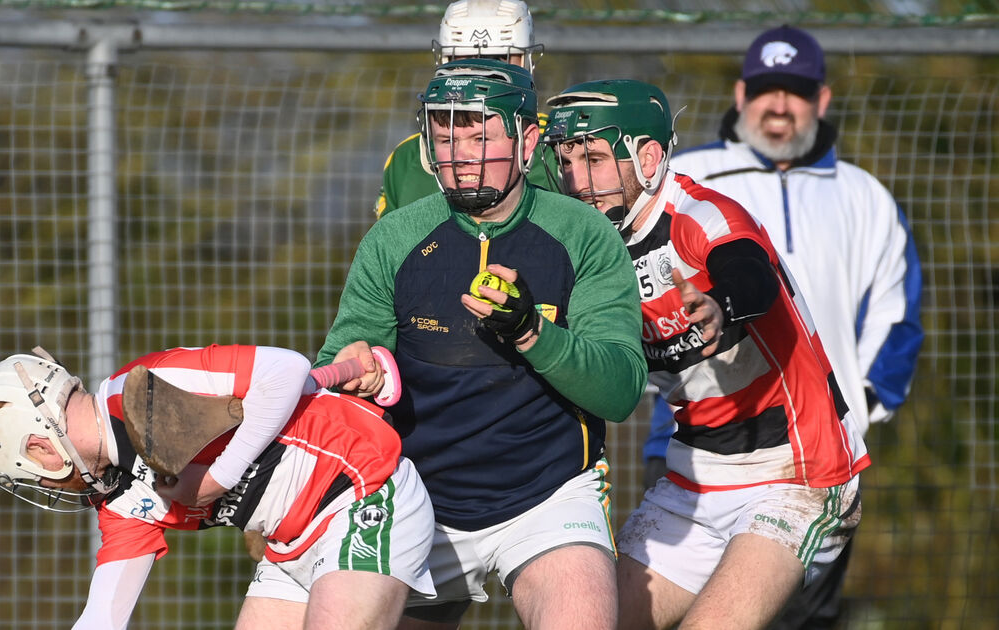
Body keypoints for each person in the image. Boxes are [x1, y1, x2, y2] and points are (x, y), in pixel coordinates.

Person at [319, 58, 647, 630]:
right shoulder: (394, 238)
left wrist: (530, 332)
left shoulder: (584, 234)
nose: (460, 152)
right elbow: (342, 368)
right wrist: (358, 370)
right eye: (445, 133)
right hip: (411, 495)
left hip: (549, 496)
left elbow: (619, 390)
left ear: (528, 140)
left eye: (479, 134)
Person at [543, 79, 870, 630]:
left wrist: (722, 306)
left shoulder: (699, 212)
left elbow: (750, 272)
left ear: (648, 157)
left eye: (594, 159)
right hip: (693, 478)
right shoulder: (587, 248)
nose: (577, 180)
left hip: (798, 475)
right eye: (566, 161)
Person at [663, 25, 924, 628]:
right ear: (739, 93)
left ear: (822, 100)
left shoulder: (864, 196)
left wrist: (857, 408)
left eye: (796, 90)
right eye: (765, 89)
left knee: (800, 621)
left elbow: (896, 317)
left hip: (817, 455)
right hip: (699, 445)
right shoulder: (685, 180)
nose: (779, 104)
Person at [0, 344, 435, 630]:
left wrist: (218, 478)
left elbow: (286, 370)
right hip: (291, 545)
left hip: (362, 492)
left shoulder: (153, 381)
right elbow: (102, 619)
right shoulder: (119, 500)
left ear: (39, 445)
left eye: (33, 473)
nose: (52, 485)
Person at [373, 0, 556, 219]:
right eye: (466, 60)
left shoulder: (558, 147)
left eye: (500, 60)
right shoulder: (409, 157)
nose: (481, 72)